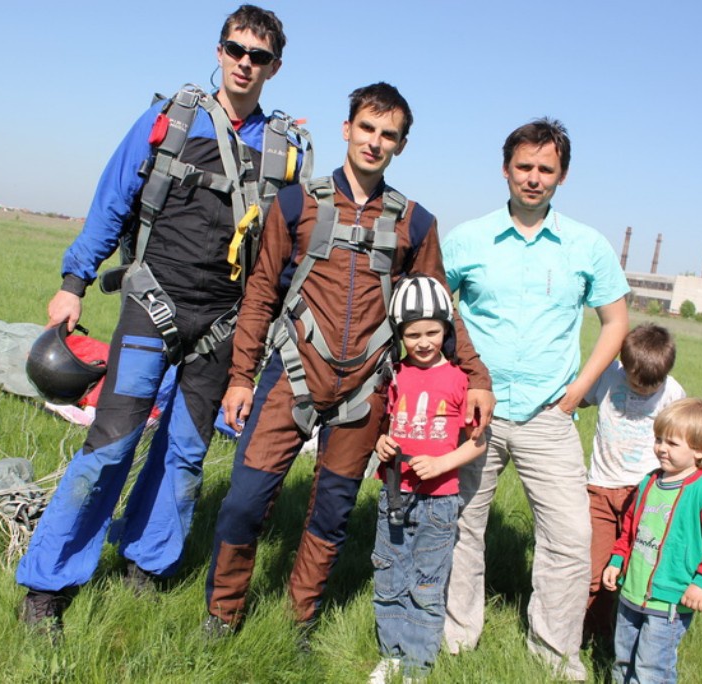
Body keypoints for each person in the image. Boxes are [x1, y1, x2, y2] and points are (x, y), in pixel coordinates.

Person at [16, 5, 309, 633]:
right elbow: (113, 195)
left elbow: (286, 251)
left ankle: (144, 565)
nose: (244, 64)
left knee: (184, 455)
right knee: (110, 445)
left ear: (274, 67)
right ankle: (48, 584)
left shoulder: (284, 150)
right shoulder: (172, 118)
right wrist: (73, 283)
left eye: (258, 56)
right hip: (153, 306)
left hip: (223, 326)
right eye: (235, 50)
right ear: (220, 50)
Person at [203, 83, 493, 641]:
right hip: (291, 376)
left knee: (332, 513)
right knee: (243, 502)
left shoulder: (415, 223)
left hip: (366, 389)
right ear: (347, 129)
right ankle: (223, 614)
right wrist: (241, 377)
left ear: (400, 145)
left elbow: (438, 310)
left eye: (388, 134)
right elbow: (260, 293)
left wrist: (476, 377)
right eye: (367, 128)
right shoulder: (296, 204)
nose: (375, 142)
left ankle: (299, 621)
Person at [441, 117, 630, 679]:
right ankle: (456, 636)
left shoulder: (587, 245)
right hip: (476, 412)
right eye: (524, 166)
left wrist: (578, 391)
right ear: (505, 169)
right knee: (461, 525)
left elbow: (616, 321)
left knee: (570, 538)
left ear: (561, 176)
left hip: (550, 415)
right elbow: (434, 308)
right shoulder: (468, 239)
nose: (533, 177)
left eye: (546, 169)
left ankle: (554, 653)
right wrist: (456, 379)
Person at [369, 275, 487, 682]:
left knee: (426, 584)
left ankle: (417, 665)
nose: (423, 342)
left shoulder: (458, 379)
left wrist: (442, 464)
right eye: (413, 334)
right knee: (388, 575)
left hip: (439, 501)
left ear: (446, 331)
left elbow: (478, 443)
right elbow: (386, 425)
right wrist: (381, 443)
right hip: (394, 494)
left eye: (432, 333)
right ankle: (390, 655)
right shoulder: (394, 374)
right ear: (400, 334)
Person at [603, 398, 702, 684]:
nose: (661, 448)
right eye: (659, 439)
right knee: (622, 660)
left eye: (672, 443)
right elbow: (630, 528)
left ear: (700, 450)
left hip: (669, 602)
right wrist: (617, 560)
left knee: (651, 669)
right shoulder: (649, 482)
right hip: (631, 592)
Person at [583, 323, 686, 643]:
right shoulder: (608, 375)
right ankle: (589, 632)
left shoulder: (673, 393)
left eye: (651, 385)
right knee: (594, 569)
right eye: (636, 382)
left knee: (635, 570)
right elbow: (578, 398)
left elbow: (683, 441)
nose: (642, 389)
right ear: (625, 366)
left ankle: (628, 635)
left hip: (646, 496)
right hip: (600, 489)